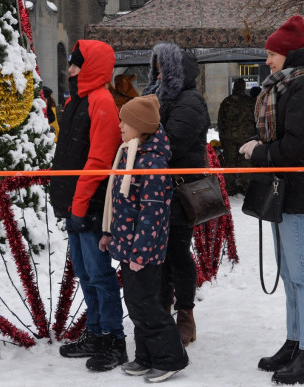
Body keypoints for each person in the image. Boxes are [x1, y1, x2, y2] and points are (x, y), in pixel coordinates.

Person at [239, 15, 304, 385]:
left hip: (300, 190)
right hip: (288, 190)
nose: (267, 61)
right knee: (292, 273)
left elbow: (296, 146)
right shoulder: (288, 85)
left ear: (288, 54)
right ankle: (295, 342)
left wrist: (260, 150)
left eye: (271, 54)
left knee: (303, 273)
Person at [100, 94, 190, 383]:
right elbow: (121, 204)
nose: (120, 126)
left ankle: (170, 357)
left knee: (147, 304)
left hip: (144, 252)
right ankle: (146, 356)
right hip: (128, 247)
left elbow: (152, 214)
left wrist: (140, 253)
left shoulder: (152, 164)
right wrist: (110, 233)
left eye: (125, 121)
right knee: (135, 304)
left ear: (141, 126)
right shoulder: (129, 155)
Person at [49, 40, 126, 371]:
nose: (69, 71)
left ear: (91, 67)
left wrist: (79, 204)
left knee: (100, 274)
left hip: (92, 207)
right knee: (84, 272)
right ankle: (95, 332)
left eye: (75, 65)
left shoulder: (101, 102)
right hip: (76, 205)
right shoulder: (76, 101)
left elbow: (98, 161)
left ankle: (113, 338)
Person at [141, 43, 209, 347]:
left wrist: (142, 135)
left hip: (180, 190)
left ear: (174, 70)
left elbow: (172, 142)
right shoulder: (153, 95)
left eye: (162, 66)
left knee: (177, 254)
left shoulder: (190, 100)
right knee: (160, 255)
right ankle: (163, 310)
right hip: (156, 189)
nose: (157, 72)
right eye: (154, 66)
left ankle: (185, 314)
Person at [217, 77, 256, 195]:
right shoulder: (250, 101)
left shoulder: (227, 101)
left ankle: (230, 187)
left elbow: (221, 121)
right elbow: (256, 120)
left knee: (230, 162)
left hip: (229, 137)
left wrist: (222, 137)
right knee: (246, 163)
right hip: (247, 137)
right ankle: (246, 187)